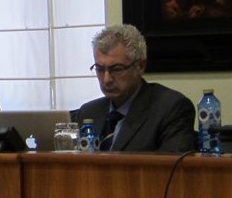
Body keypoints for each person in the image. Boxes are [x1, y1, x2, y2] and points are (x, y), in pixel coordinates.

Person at [72, 23, 195, 152]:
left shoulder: (171, 109)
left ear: (140, 66)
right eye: (100, 69)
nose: (106, 79)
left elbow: (171, 164)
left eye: (117, 69)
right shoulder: (89, 112)